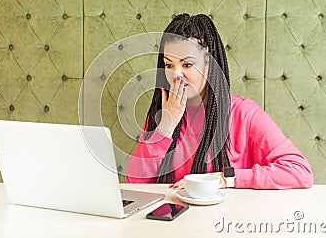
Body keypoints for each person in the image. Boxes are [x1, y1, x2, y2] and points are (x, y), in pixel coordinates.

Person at [126, 13, 313, 189]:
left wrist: (225, 178)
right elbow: (135, 182)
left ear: (210, 64)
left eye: (187, 65)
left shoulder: (243, 113)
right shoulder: (163, 111)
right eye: (169, 65)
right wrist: (165, 127)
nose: (176, 75)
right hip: (176, 218)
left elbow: (300, 171)